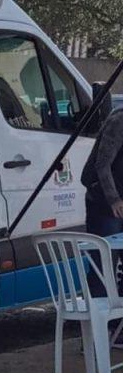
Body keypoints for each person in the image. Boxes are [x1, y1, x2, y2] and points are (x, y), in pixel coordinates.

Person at [81, 105, 123, 296]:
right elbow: (102, 164)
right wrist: (114, 199)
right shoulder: (118, 121)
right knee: (103, 263)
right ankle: (101, 319)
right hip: (105, 203)